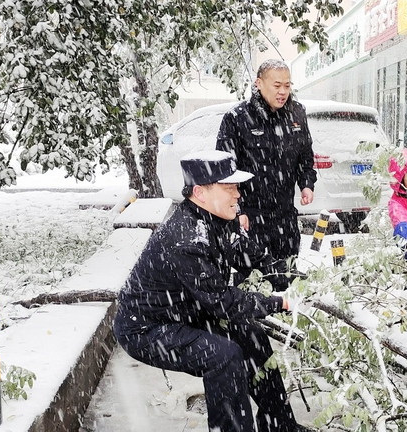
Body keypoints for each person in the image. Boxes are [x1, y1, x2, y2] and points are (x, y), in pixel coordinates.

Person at [114, 150, 308, 432]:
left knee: (251, 336)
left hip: (184, 311)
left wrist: (291, 278)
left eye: (236, 186)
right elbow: (223, 302)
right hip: (146, 329)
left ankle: (279, 425)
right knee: (223, 356)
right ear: (200, 192)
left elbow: (247, 252)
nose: (237, 194)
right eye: (229, 187)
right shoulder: (185, 239)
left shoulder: (218, 219)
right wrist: (279, 303)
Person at [217, 59, 317, 262]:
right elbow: (226, 171)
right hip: (251, 217)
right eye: (277, 85)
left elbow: (305, 154)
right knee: (257, 281)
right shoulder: (237, 118)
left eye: (287, 86)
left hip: (285, 216)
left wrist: (307, 183)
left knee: (287, 275)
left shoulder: (296, 114)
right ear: (259, 84)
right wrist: (238, 212)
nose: (283, 92)